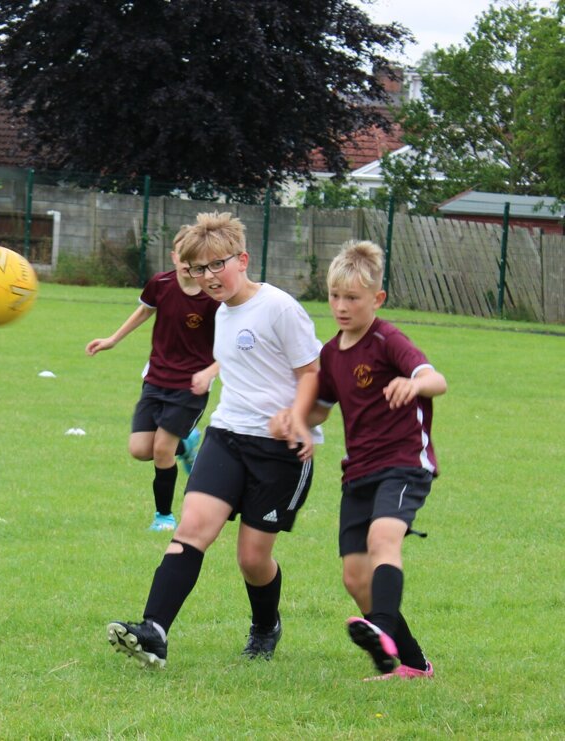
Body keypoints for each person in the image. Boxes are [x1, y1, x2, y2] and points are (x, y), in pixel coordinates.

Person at [106, 211, 322, 668]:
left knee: (252, 558)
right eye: (198, 269)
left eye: (215, 265)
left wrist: (298, 417)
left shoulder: (280, 307)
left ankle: (266, 625)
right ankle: (154, 632)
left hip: (280, 451)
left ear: (242, 259)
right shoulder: (220, 312)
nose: (207, 277)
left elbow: (313, 372)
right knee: (190, 531)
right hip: (227, 436)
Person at [270, 240, 445, 680]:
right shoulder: (330, 353)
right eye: (334, 296)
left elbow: (435, 379)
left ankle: (381, 627)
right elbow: (321, 407)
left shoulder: (389, 340)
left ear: (377, 299)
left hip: (405, 462)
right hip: (359, 471)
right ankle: (414, 664)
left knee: (385, 539)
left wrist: (415, 384)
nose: (341, 307)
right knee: (354, 577)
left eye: (353, 298)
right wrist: (293, 420)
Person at [86, 234, 218, 532]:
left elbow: (232, 343)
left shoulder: (213, 298)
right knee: (139, 449)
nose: (188, 264)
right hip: (156, 379)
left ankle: (164, 517)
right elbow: (145, 310)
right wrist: (112, 340)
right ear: (174, 256)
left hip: (190, 387)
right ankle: (187, 442)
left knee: (161, 450)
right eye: (184, 257)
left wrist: (211, 371)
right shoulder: (161, 284)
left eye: (196, 259)